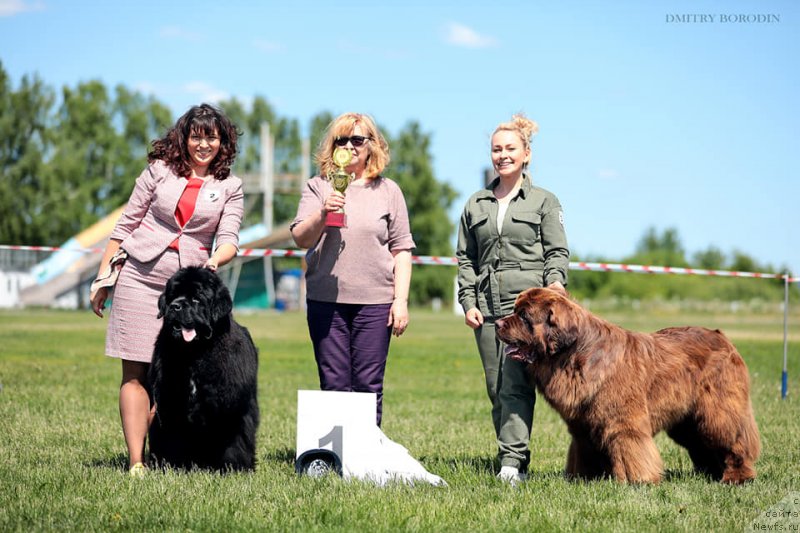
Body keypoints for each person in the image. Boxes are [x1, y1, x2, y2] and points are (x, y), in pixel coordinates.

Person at [90, 104, 244, 476]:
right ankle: (137, 462)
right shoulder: (159, 171)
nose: (203, 143)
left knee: (171, 377)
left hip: (185, 291)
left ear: (222, 141)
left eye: (211, 136)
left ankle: (166, 450)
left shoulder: (230, 186)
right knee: (135, 372)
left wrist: (215, 261)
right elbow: (125, 224)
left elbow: (229, 238)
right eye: (196, 135)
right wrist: (102, 279)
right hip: (139, 278)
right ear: (184, 137)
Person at [456, 114, 569, 484]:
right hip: (487, 309)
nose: (502, 155)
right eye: (496, 149)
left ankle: (511, 461)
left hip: (528, 314)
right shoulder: (476, 203)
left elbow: (556, 253)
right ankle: (513, 455)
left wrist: (555, 285)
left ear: (526, 155)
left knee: (516, 384)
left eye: (510, 149)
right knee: (496, 388)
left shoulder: (544, 201)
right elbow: (466, 258)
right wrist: (468, 301)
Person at [290, 112, 415, 427]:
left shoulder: (389, 191)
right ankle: (335, 456)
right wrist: (322, 213)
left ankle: (366, 457)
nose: (349, 145)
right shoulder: (318, 186)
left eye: (357, 139)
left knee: (368, 385)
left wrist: (400, 300)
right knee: (333, 383)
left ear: (372, 146)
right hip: (325, 301)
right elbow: (301, 238)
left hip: (376, 302)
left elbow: (401, 250)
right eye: (341, 140)